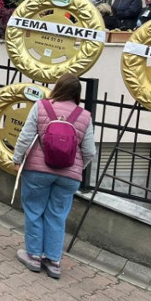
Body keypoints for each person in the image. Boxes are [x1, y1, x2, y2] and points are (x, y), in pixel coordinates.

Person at [12, 74, 96, 279]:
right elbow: (90, 151)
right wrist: (77, 168)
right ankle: (53, 261)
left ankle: (33, 256)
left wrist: (17, 159)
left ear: (58, 87)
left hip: (38, 170)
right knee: (57, 215)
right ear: (78, 93)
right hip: (69, 176)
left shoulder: (42, 107)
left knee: (34, 210)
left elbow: (26, 136)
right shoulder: (84, 115)